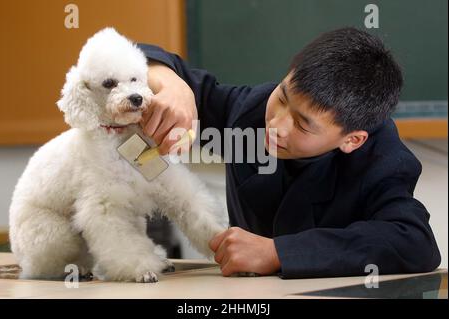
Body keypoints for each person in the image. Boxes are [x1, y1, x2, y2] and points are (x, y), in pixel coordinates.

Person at [137, 27, 441, 279]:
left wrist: (278, 253)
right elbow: (138, 56)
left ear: (352, 140)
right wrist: (174, 86)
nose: (276, 125)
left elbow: (414, 242)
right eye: (282, 97)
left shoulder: (382, 161)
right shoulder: (251, 109)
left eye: (303, 124)